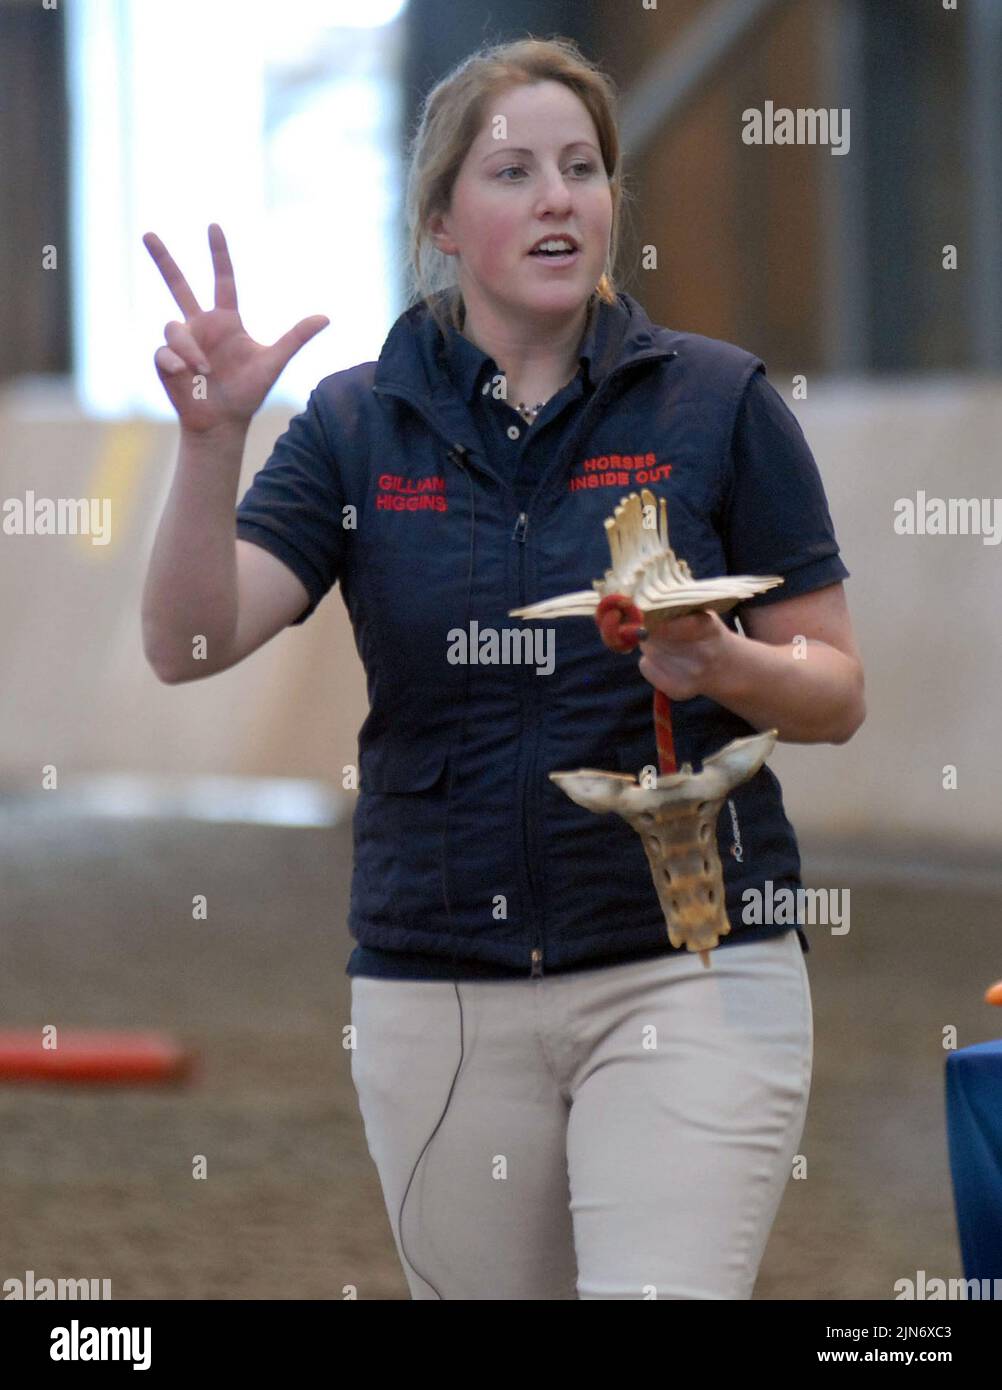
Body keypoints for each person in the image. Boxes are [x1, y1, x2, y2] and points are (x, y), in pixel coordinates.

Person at [141, 36, 865, 1300]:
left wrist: (724, 662)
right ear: (439, 221)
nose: (557, 198)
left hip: (692, 963)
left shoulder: (719, 402)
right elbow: (189, 643)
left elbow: (837, 689)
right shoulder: (357, 426)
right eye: (515, 170)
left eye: (582, 169)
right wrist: (212, 442)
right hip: (440, 983)